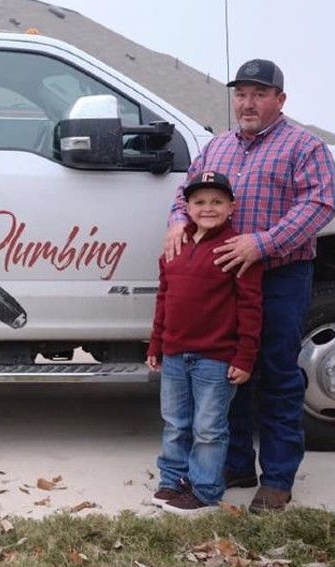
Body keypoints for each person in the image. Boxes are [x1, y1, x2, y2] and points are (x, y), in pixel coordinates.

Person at [164, 59, 335, 513]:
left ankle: (277, 479)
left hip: (279, 275)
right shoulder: (216, 147)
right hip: (224, 281)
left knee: (278, 374)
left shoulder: (305, 147)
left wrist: (262, 243)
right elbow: (186, 193)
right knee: (227, 370)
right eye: (241, 93)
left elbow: (319, 204)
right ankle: (235, 464)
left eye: (259, 93)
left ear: (280, 100)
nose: (248, 102)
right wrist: (177, 222)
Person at [148, 172, 263, 515]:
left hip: (215, 358)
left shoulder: (236, 249)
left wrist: (245, 356)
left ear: (232, 207)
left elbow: (250, 307)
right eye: (199, 201)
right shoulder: (175, 245)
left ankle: (205, 490)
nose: (208, 208)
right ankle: (172, 480)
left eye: (217, 201)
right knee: (175, 422)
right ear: (187, 206)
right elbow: (164, 298)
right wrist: (156, 344)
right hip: (174, 354)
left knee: (209, 429)